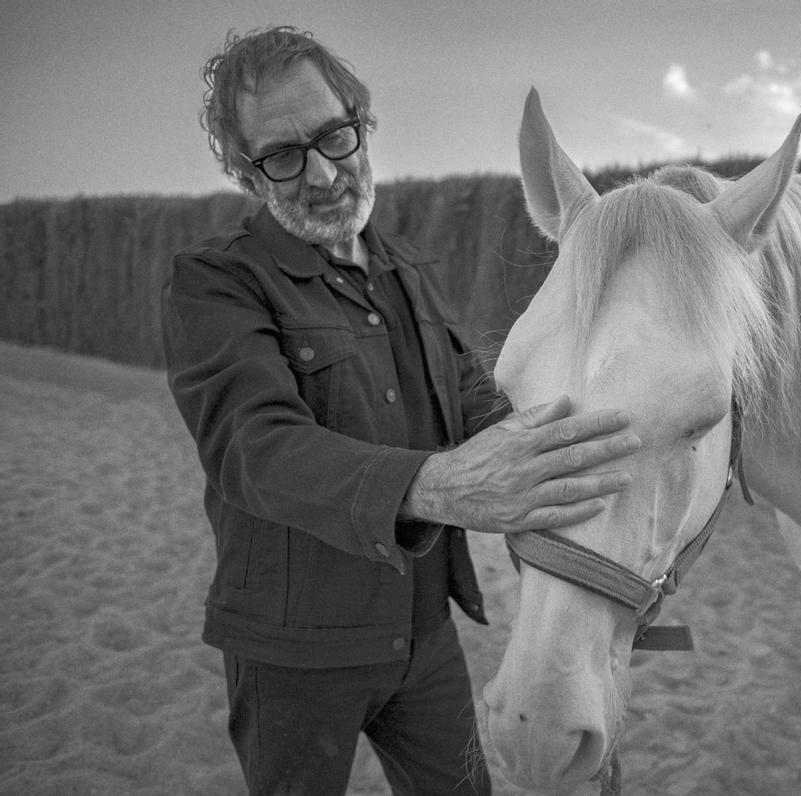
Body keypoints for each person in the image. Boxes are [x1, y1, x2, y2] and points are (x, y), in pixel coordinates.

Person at [162, 26, 640, 795]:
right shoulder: (215, 282)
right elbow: (254, 448)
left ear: (362, 122)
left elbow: (475, 403)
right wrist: (440, 487)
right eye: (282, 155)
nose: (322, 173)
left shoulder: (406, 267)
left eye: (334, 136)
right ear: (245, 172)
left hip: (423, 633)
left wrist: (586, 449)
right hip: (291, 651)